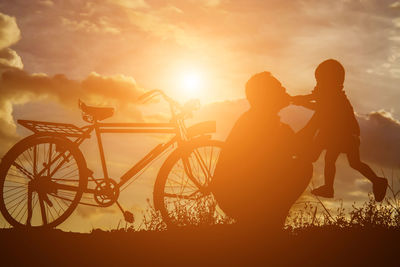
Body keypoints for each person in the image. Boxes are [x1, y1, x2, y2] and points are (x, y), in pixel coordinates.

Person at [211, 71, 312, 230]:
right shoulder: (262, 122)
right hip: (237, 195)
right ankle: (268, 224)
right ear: (268, 96)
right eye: (279, 88)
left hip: (233, 194)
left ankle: (265, 222)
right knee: (303, 167)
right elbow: (299, 147)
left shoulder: (259, 118)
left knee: (297, 165)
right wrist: (320, 119)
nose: (285, 89)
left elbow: (298, 145)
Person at [292, 59, 387, 201]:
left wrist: (299, 100)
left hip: (342, 134)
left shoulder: (333, 95)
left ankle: (329, 187)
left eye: (321, 80)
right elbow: (320, 107)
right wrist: (300, 101)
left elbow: (319, 105)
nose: (318, 84)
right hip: (343, 134)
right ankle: (377, 181)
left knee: (332, 159)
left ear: (331, 81)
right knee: (351, 162)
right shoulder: (332, 95)